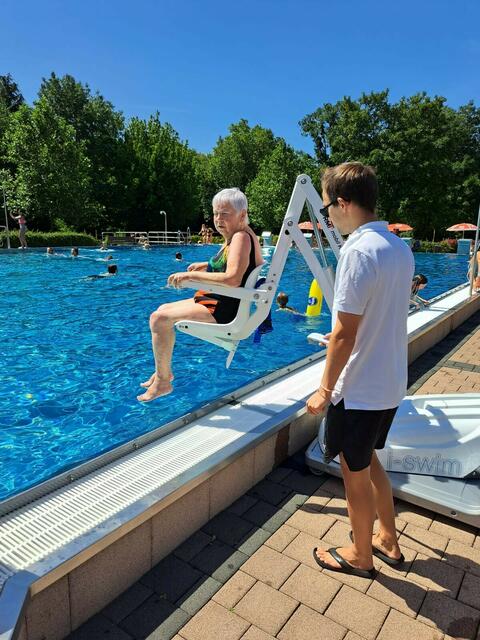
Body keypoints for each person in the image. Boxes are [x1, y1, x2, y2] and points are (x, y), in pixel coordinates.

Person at [306, 162, 414, 578]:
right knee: (368, 461)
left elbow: (343, 334)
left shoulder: (358, 251)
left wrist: (323, 388)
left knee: (354, 475)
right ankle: (388, 538)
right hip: (388, 382)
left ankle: (361, 555)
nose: (327, 215)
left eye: (327, 206)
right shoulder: (398, 248)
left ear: (344, 203)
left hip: (360, 388)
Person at [138, 188, 263, 402]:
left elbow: (233, 279)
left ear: (242, 215)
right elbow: (236, 264)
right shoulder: (239, 235)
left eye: (225, 214)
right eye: (216, 213)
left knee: (158, 319)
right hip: (217, 299)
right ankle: (163, 370)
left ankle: (163, 381)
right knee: (162, 310)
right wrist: (207, 265)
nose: (218, 219)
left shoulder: (241, 237)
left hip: (223, 308)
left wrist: (189, 277)